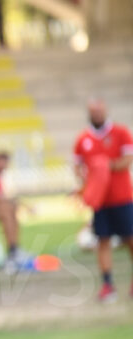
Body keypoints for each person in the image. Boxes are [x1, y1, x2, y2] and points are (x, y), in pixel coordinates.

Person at [73, 98, 133, 302]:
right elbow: (77, 165)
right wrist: (88, 181)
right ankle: (108, 284)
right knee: (103, 240)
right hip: (100, 201)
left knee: (129, 239)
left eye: (99, 110)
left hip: (122, 196)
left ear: (105, 111)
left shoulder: (120, 132)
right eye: (93, 111)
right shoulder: (83, 138)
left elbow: (127, 160)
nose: (97, 114)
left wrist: (103, 166)